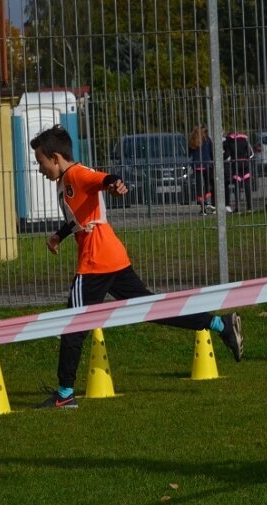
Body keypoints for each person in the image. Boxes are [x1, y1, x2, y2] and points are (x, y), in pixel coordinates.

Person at [30, 125, 244, 409]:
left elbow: (102, 179)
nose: (40, 169)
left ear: (55, 158)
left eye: (41, 162)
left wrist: (115, 183)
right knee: (154, 309)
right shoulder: (67, 180)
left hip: (96, 263)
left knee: (73, 326)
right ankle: (220, 324)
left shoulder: (77, 174)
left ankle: (65, 394)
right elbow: (81, 214)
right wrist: (60, 235)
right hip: (113, 258)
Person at [223, 131, 253, 213]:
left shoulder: (229, 142)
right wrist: (246, 158)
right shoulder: (244, 140)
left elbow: (227, 155)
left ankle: (237, 208)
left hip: (235, 164)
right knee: (247, 186)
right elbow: (250, 153)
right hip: (245, 163)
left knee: (237, 187)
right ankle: (249, 207)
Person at [189, 125, 215, 215]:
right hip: (207, 164)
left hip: (197, 165)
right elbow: (211, 152)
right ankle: (207, 202)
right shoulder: (207, 139)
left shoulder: (193, 140)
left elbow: (189, 153)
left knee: (199, 186)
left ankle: (202, 207)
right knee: (208, 184)